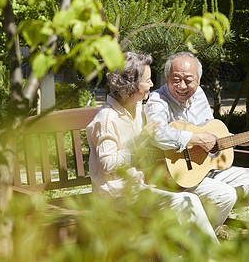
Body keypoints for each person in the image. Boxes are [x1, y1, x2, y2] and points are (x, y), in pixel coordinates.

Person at [144, 52, 249, 248]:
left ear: (198, 79)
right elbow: (158, 134)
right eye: (175, 79)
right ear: (166, 77)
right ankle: (196, 244)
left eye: (188, 80)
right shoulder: (157, 100)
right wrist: (195, 139)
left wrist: (244, 141)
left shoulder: (199, 96)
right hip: (173, 175)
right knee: (226, 194)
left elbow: (212, 133)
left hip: (205, 170)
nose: (181, 86)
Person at [86, 52, 219, 244]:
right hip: (116, 194)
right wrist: (140, 141)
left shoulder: (138, 108)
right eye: (147, 80)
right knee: (186, 201)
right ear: (130, 85)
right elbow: (107, 164)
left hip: (143, 185)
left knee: (205, 196)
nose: (151, 85)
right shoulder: (107, 119)